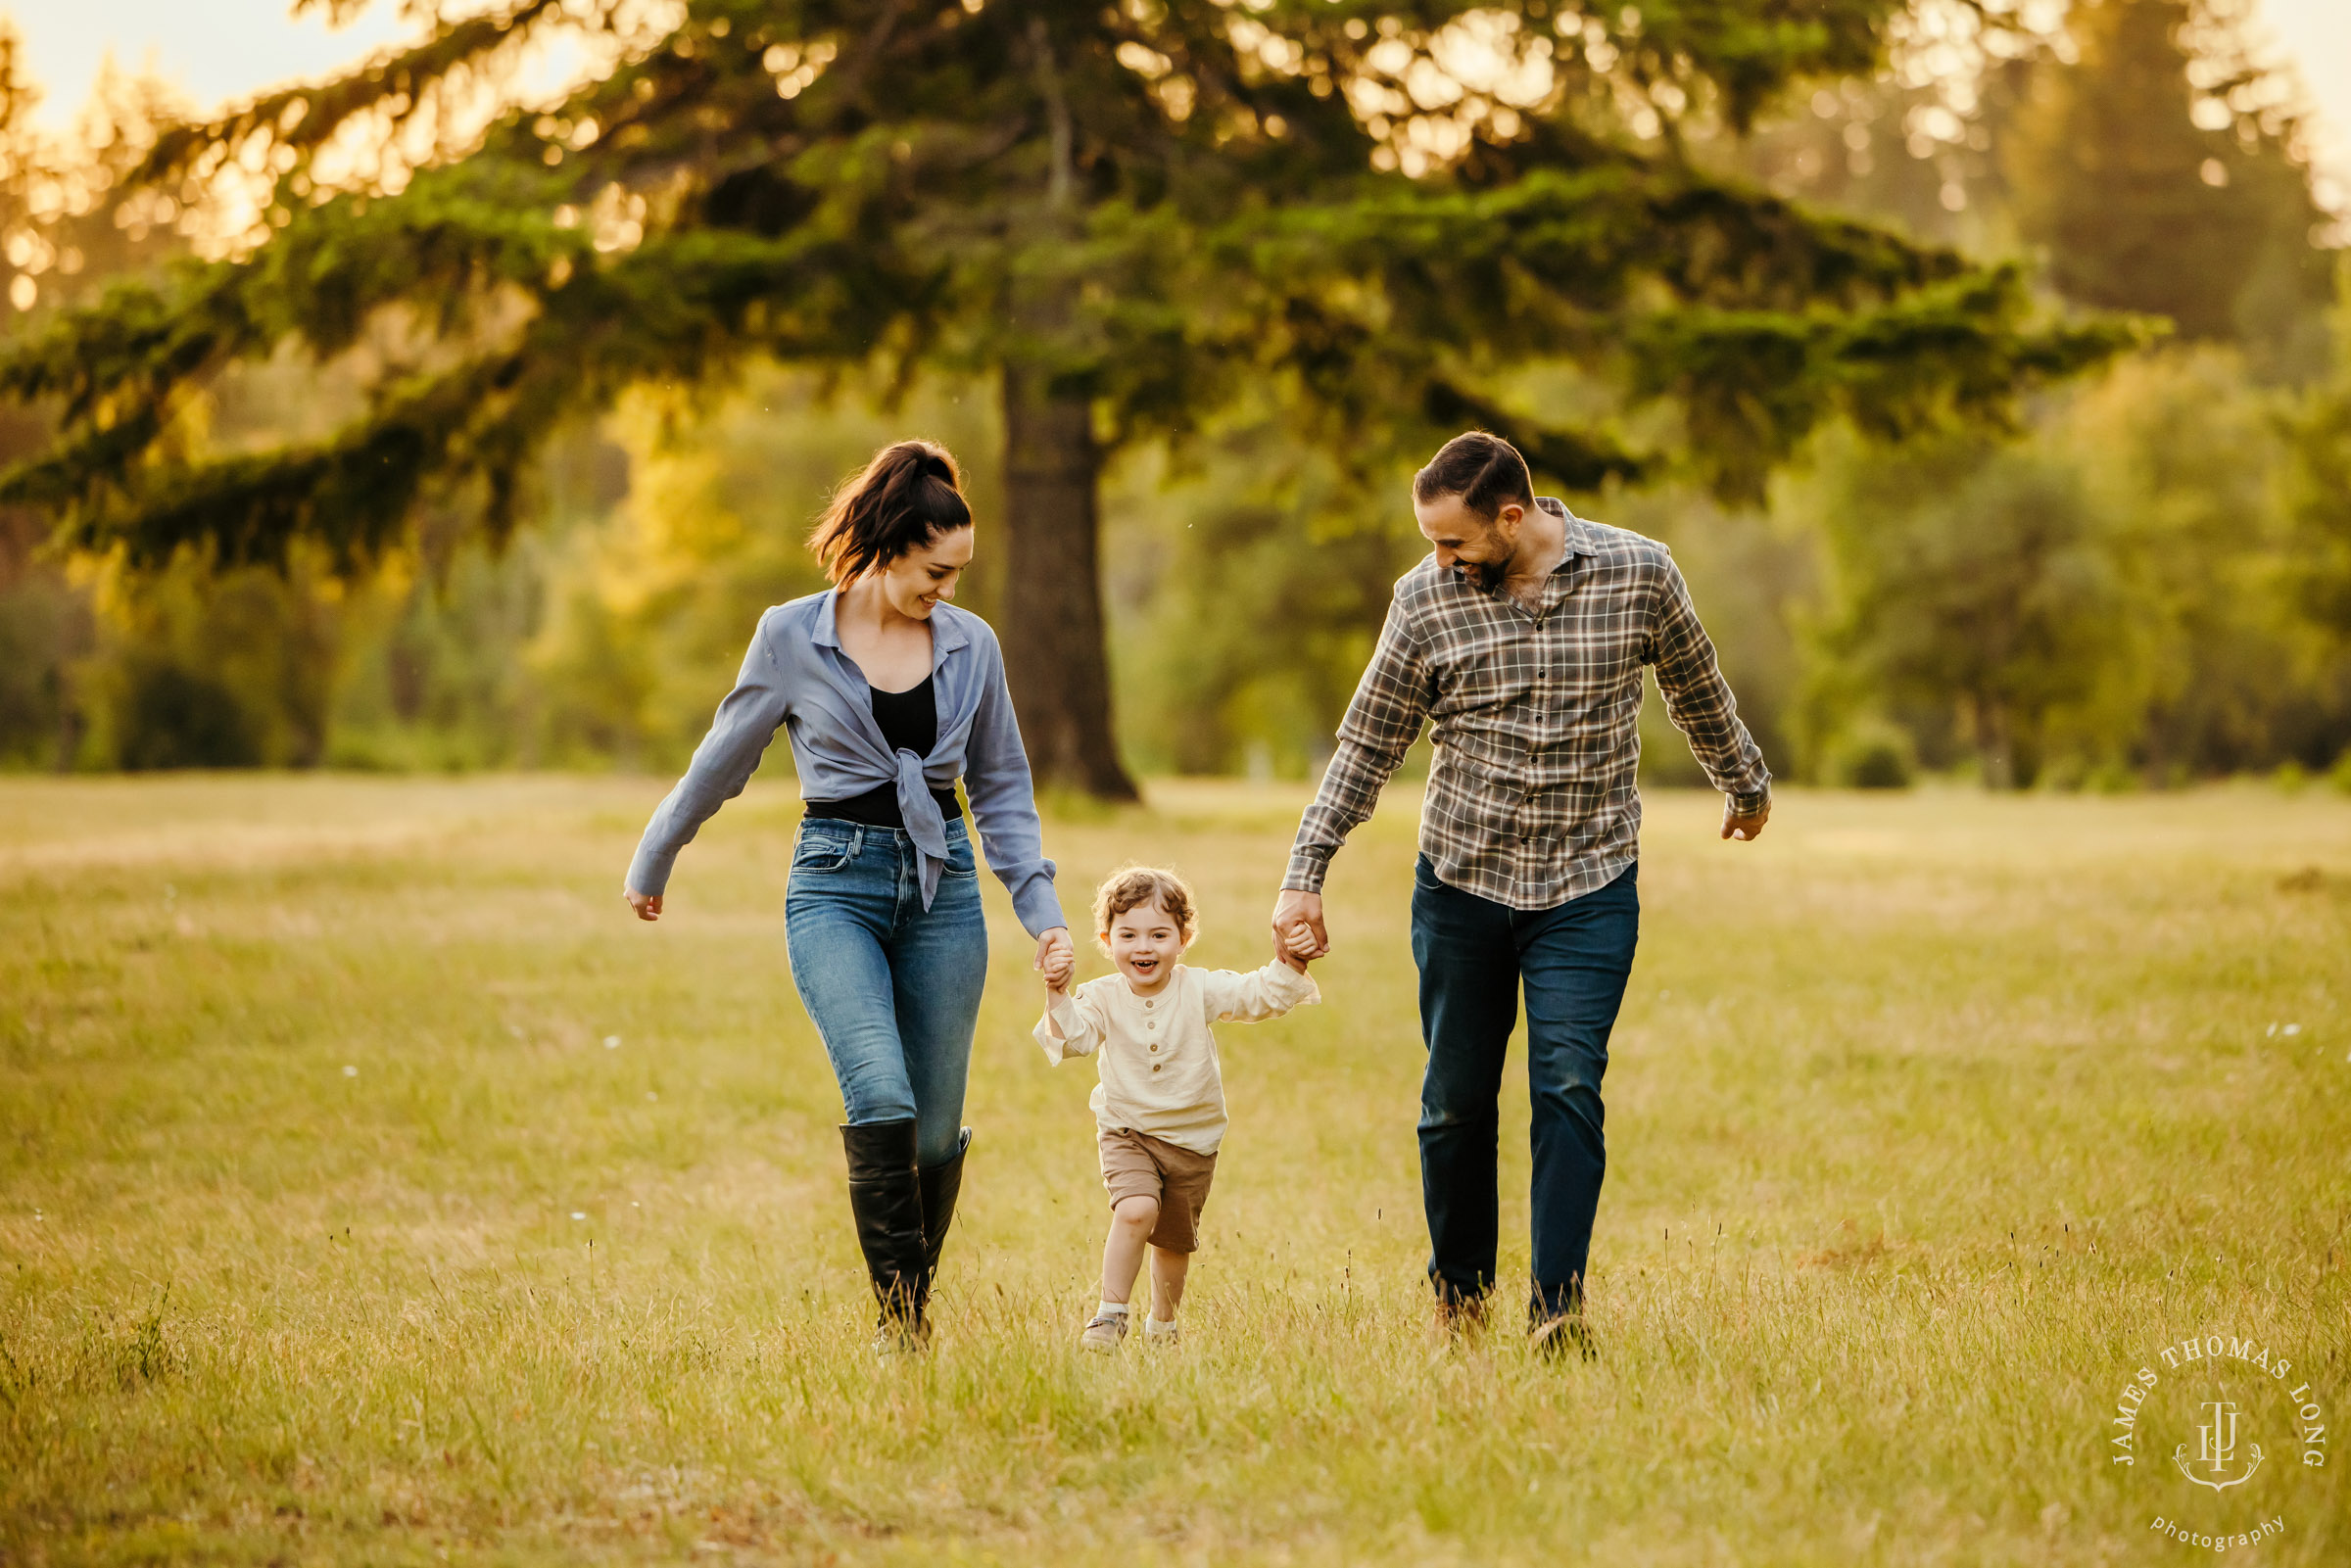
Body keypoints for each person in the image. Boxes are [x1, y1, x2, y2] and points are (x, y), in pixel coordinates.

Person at [1270, 431, 1771, 1356]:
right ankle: (1459, 1298)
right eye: (1430, 542)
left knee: (1569, 1083)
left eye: (1453, 541)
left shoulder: (1640, 572)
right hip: (1461, 884)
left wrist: (1743, 782)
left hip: (1589, 882)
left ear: (1514, 516)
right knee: (1455, 1100)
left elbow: (1698, 687)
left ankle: (1558, 1311)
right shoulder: (1425, 602)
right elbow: (1368, 742)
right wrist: (1307, 871)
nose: (1438, 559)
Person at [622, 440, 1078, 1352]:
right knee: (880, 1093)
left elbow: (1000, 786)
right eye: (934, 571)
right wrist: (656, 853)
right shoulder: (793, 634)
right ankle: (904, 1329)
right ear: (888, 543)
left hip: (941, 886)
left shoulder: (972, 645)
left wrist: (1043, 912)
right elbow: (724, 757)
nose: (946, 589)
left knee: (938, 1128)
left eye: (958, 575)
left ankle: (901, 1312)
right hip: (834, 886)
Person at [1036, 866, 1319, 1352]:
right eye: (1128, 935)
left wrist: (1291, 962)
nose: (1143, 947)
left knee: (1172, 1242)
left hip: (1193, 1140)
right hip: (1127, 1131)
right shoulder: (1102, 997)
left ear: (1183, 939)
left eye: (1159, 934)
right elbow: (1076, 1038)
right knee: (1136, 1209)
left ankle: (1163, 1327)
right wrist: (1057, 993)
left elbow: (1257, 995)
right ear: (1107, 940)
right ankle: (1110, 1313)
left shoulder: (1199, 988)